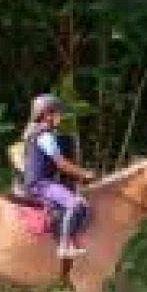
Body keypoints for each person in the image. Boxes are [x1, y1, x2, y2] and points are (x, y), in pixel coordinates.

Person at [20, 94, 97, 259]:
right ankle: (64, 246)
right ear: (47, 115)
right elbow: (61, 164)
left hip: (38, 182)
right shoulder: (45, 136)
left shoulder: (32, 134)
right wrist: (85, 173)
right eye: (57, 113)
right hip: (41, 184)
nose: (59, 117)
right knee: (76, 204)